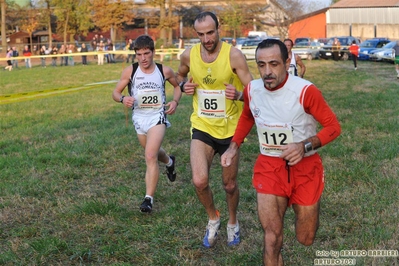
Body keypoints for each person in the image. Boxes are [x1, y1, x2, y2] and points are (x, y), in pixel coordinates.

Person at [221, 39, 341, 265]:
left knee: (305, 237)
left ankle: (305, 207)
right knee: (272, 236)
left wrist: (304, 145)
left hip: (305, 168)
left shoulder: (305, 91)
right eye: (261, 65)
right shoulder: (252, 89)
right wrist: (234, 146)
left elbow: (334, 127)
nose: (267, 72)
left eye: (274, 64)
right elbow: (248, 115)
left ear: (287, 62)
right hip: (269, 167)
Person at [176, 11, 253, 248]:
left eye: (210, 32)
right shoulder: (189, 55)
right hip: (203, 126)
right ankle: (213, 218)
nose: (207, 39)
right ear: (195, 34)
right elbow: (179, 77)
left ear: (219, 28)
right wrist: (182, 88)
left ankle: (232, 222)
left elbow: (255, 92)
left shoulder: (235, 56)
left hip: (230, 131)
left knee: (229, 185)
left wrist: (239, 95)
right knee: (199, 181)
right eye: (201, 34)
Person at [112, 35, 182, 213]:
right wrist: (123, 99)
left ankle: (148, 199)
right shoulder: (131, 71)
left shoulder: (164, 70)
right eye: (139, 54)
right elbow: (115, 92)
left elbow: (177, 86)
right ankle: (169, 161)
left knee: (150, 156)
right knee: (152, 152)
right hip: (139, 118)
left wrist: (175, 101)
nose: (143, 58)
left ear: (153, 52)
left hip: (157, 117)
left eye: (146, 53)